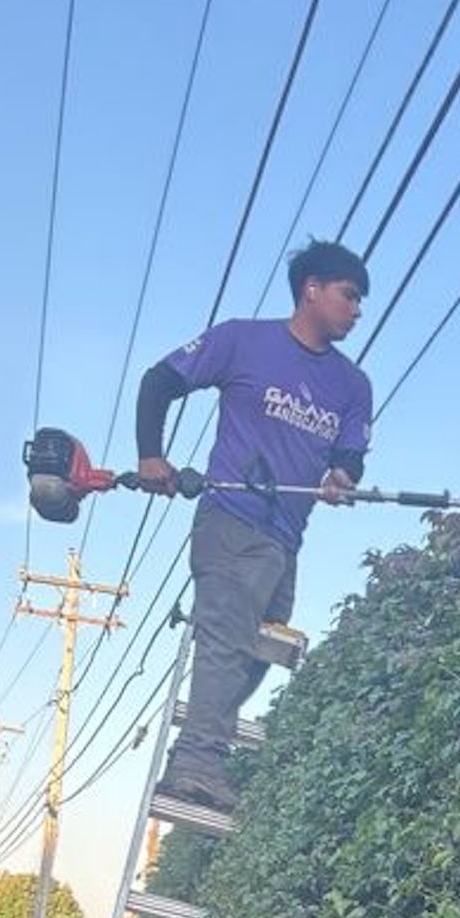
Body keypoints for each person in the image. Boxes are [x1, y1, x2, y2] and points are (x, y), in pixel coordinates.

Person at [136, 239, 374, 807]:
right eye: (349, 295)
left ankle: (202, 750)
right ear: (311, 289)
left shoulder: (352, 385)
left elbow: (351, 453)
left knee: (263, 651)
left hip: (285, 539)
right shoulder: (242, 340)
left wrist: (342, 476)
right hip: (230, 519)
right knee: (225, 641)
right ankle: (197, 762)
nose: (357, 309)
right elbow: (158, 382)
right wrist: (151, 455)